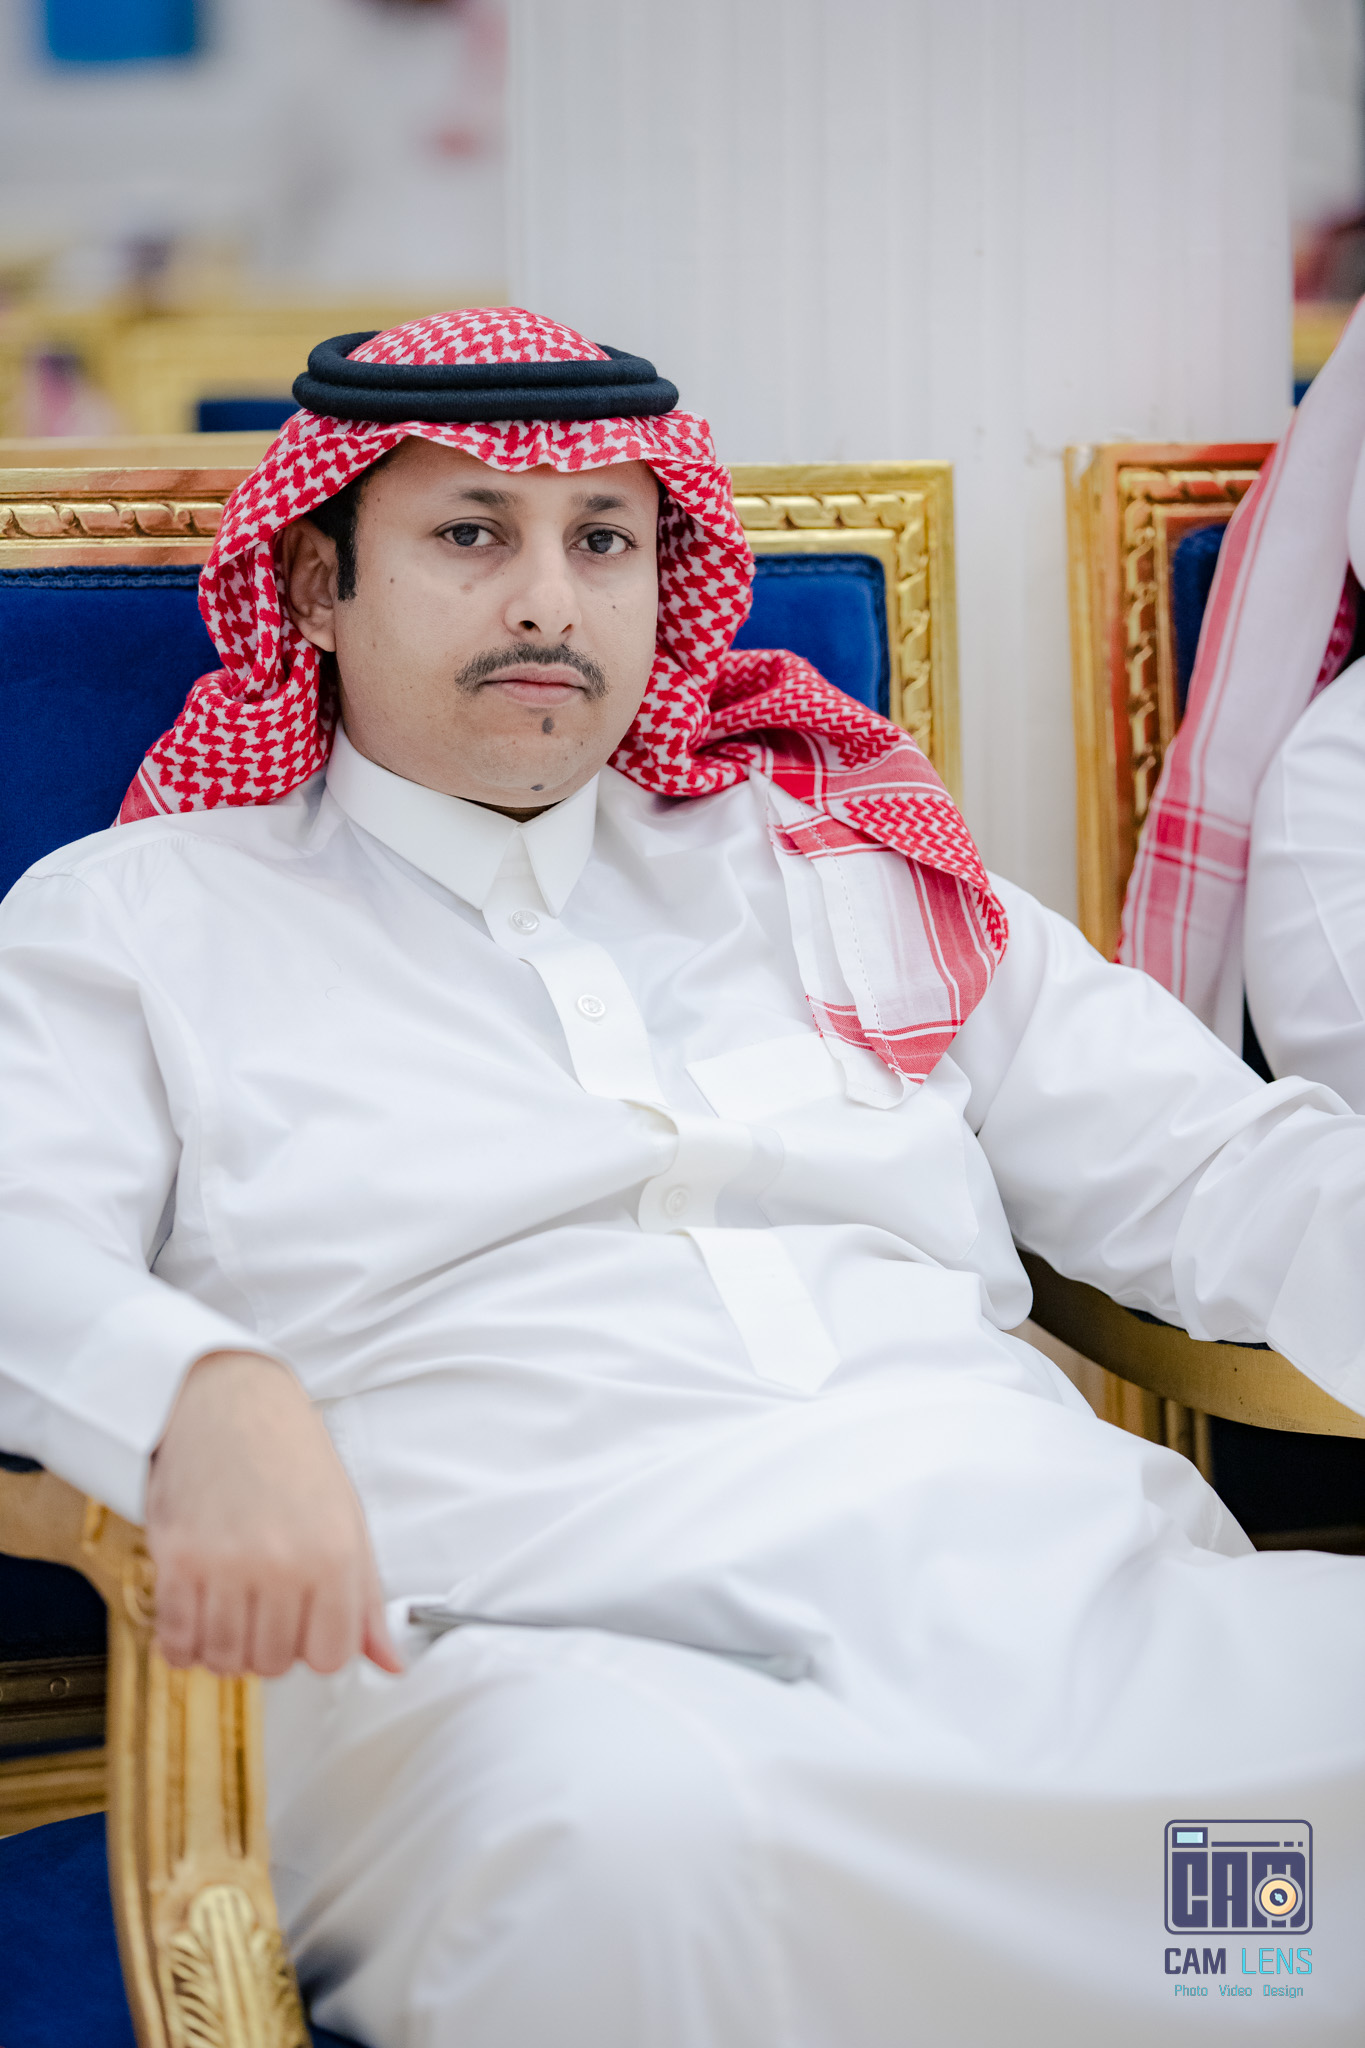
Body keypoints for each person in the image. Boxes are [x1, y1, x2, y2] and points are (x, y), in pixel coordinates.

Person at [1, 309, 1363, 2048]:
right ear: (318, 584)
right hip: (535, 1665)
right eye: (472, 535)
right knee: (634, 1846)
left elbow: (1218, 1169)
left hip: (1045, 1603)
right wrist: (201, 1390)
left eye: (603, 542)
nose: (549, 602)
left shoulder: (833, 857)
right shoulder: (142, 917)